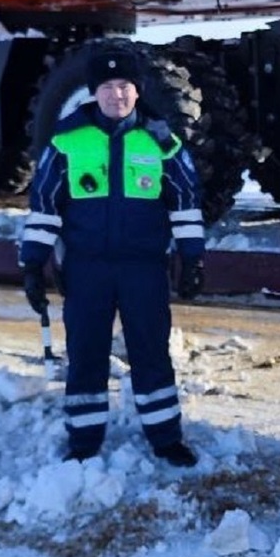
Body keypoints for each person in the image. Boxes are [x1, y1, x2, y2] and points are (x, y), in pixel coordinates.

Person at [19, 43, 205, 466]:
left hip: (144, 269)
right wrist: (32, 263)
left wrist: (192, 258)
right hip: (87, 271)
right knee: (86, 354)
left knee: (151, 353)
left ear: (138, 91)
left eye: (124, 86)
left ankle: (165, 438)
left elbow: (186, 202)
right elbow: (44, 206)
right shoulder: (66, 142)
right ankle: (83, 442)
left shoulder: (163, 143)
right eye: (107, 87)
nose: (116, 95)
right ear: (94, 92)